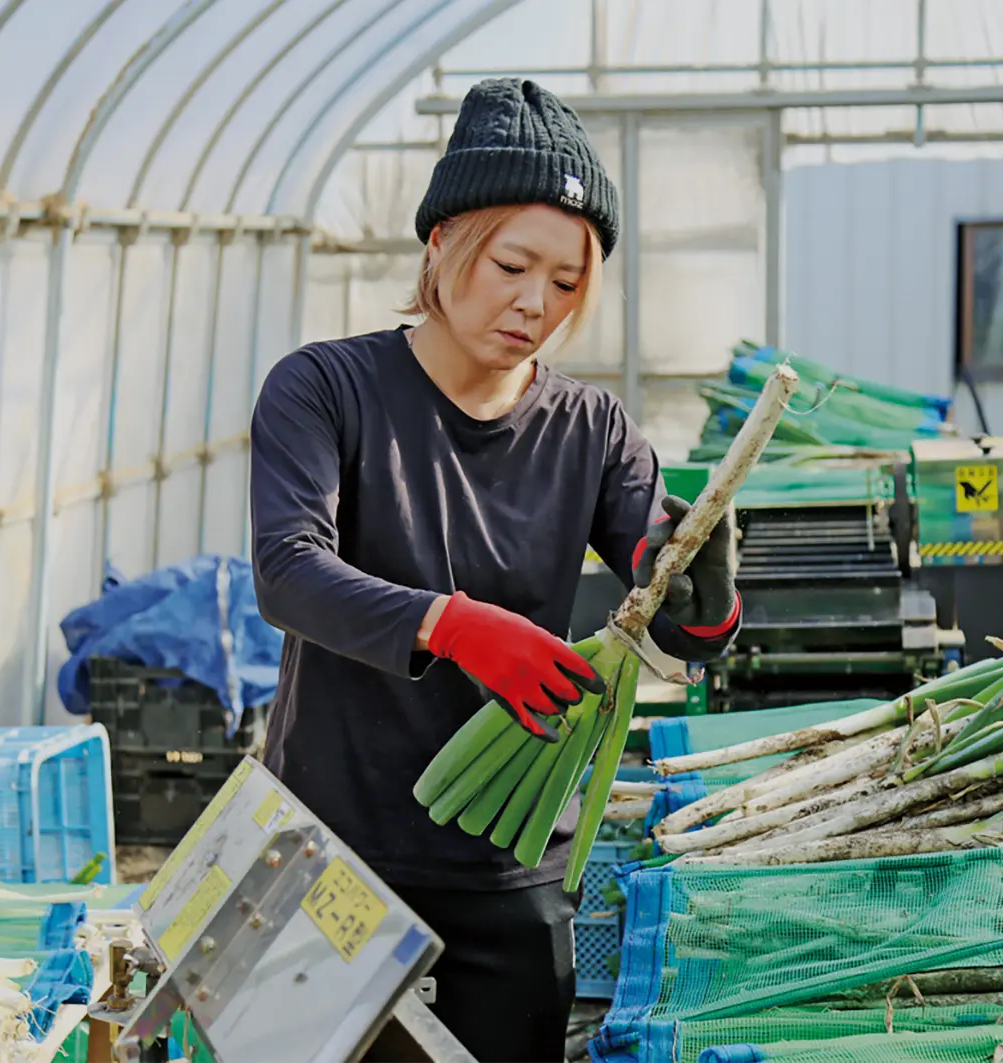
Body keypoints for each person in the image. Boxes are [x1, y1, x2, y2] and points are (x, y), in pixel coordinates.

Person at [249, 77, 742, 1062]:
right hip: (336, 846)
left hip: (508, 862)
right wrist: (457, 624)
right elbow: (287, 572)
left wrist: (708, 572)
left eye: (567, 282)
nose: (535, 303)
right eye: (513, 264)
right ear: (442, 246)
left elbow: (689, 630)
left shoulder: (590, 429)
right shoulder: (326, 389)